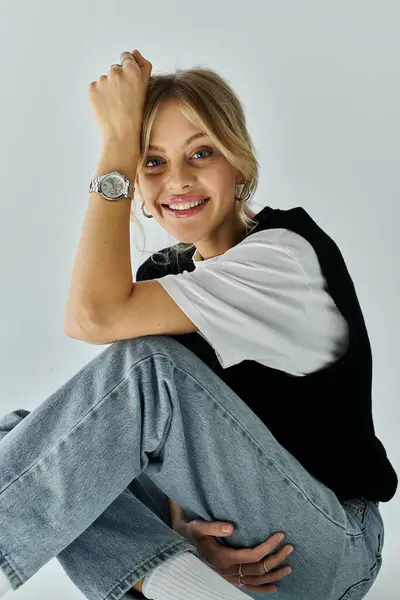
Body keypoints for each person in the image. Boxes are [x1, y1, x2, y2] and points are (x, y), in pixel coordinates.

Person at [0, 50, 397, 600]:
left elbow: (90, 317)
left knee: (142, 371)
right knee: (20, 438)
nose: (178, 181)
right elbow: (173, 444)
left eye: (201, 153)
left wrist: (118, 140)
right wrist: (182, 536)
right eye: (154, 161)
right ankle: (180, 581)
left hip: (329, 542)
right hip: (239, 540)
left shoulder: (281, 257)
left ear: (239, 165)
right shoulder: (167, 278)